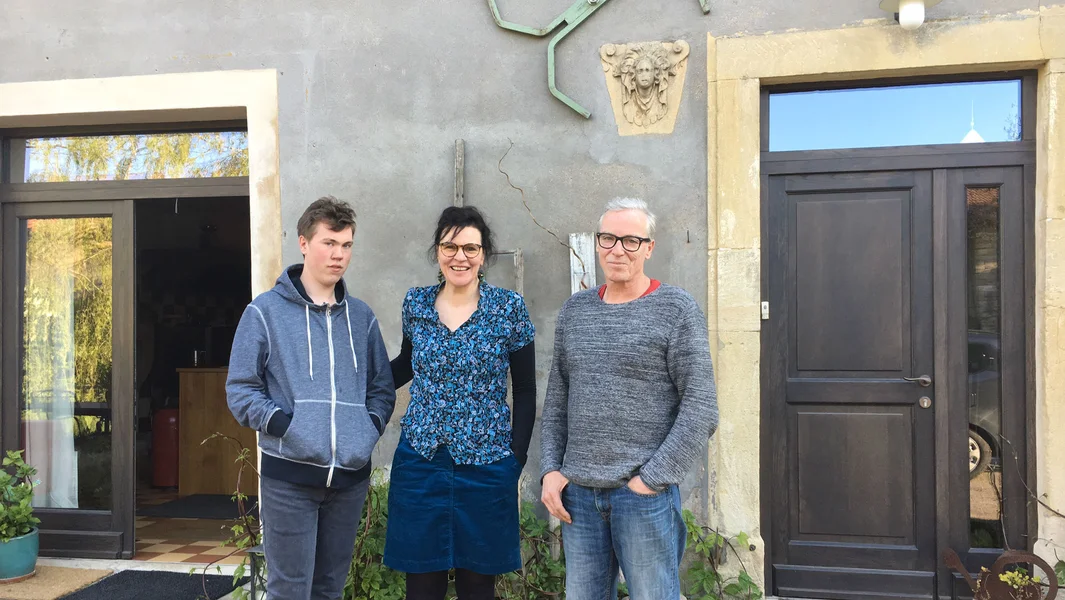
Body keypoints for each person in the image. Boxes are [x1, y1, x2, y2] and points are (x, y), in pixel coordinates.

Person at [539, 197, 719, 600]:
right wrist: (551, 469)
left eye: (631, 241)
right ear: (597, 242)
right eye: (608, 238)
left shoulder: (676, 309)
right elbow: (557, 401)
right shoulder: (575, 311)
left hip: (643, 499)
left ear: (649, 248)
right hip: (579, 497)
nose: (617, 249)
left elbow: (701, 406)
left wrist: (650, 480)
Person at [226, 196, 396, 600]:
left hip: (349, 481)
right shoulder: (265, 312)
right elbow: (241, 388)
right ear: (304, 243)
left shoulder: (361, 318)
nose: (339, 255)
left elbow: (381, 388)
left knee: (329, 590)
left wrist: (367, 429)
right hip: (290, 478)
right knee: (289, 591)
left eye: (346, 245)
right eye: (329, 243)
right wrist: (286, 427)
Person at [385, 205, 536, 600]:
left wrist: (515, 459)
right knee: (421, 586)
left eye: (471, 248)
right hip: (421, 462)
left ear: (483, 254)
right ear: (437, 251)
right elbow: (406, 364)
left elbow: (525, 389)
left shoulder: (508, 309)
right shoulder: (416, 304)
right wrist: (356, 383)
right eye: (450, 247)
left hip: (487, 465)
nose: (460, 257)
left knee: (477, 586)